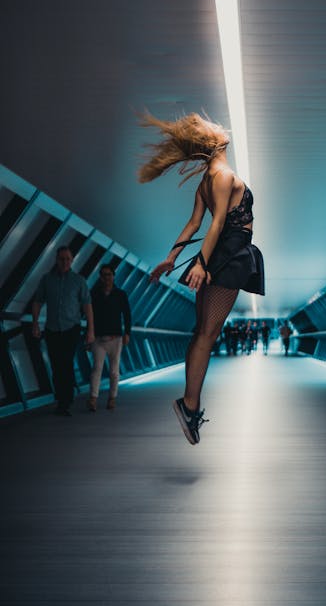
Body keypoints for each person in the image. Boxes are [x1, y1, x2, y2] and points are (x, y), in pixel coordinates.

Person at [139, 112, 265, 445]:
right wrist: (202, 263)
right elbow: (217, 223)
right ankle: (189, 405)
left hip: (218, 255)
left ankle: (190, 404)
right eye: (214, 129)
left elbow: (194, 223)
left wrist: (172, 257)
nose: (220, 129)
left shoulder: (206, 180)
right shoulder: (223, 175)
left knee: (202, 333)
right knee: (208, 334)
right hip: (230, 254)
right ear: (212, 143)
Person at [32, 246, 94, 416]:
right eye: (61, 259)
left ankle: (65, 401)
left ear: (72, 260)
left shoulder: (78, 281)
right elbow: (38, 301)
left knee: (66, 362)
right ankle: (62, 397)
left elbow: (87, 305)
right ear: (56, 260)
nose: (64, 262)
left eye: (67, 259)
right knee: (56, 364)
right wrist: (35, 323)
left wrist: (90, 330)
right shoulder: (47, 280)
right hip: (52, 328)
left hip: (71, 328)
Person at [87, 264, 131, 412]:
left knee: (114, 371)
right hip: (98, 338)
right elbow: (89, 316)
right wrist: (88, 334)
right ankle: (93, 399)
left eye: (109, 275)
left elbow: (127, 315)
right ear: (100, 277)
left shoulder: (120, 294)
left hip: (116, 338)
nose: (106, 278)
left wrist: (127, 333)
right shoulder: (94, 294)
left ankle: (112, 398)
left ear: (113, 276)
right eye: (103, 275)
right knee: (96, 368)